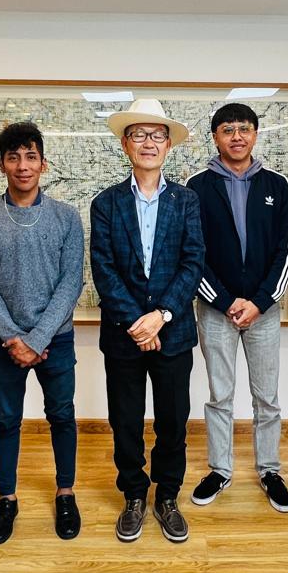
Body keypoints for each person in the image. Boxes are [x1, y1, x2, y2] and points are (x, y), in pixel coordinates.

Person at [0, 122, 85, 545]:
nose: (22, 165)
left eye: (30, 156)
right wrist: (14, 337)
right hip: (3, 342)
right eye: (13, 157)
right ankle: (7, 498)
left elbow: (71, 283)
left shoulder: (66, 217)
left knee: (62, 415)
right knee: (6, 420)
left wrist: (37, 339)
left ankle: (65, 493)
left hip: (56, 340)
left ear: (43, 163)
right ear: (2, 164)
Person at [90, 98, 205, 543]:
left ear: (168, 145)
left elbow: (192, 262)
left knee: (173, 422)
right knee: (125, 420)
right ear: (126, 144)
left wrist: (161, 316)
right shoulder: (106, 203)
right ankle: (134, 494)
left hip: (173, 333)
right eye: (139, 134)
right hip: (124, 336)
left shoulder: (187, 201)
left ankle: (168, 496)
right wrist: (138, 324)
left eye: (158, 135)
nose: (149, 143)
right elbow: (104, 269)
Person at [186, 102, 288, 512]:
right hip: (216, 311)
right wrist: (226, 301)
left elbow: (286, 250)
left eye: (244, 128)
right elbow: (192, 253)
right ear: (215, 137)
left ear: (255, 134)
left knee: (267, 397)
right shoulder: (197, 186)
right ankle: (220, 469)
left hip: (263, 312)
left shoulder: (276, 185)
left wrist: (261, 301)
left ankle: (269, 470)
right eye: (228, 129)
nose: (237, 136)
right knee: (220, 395)